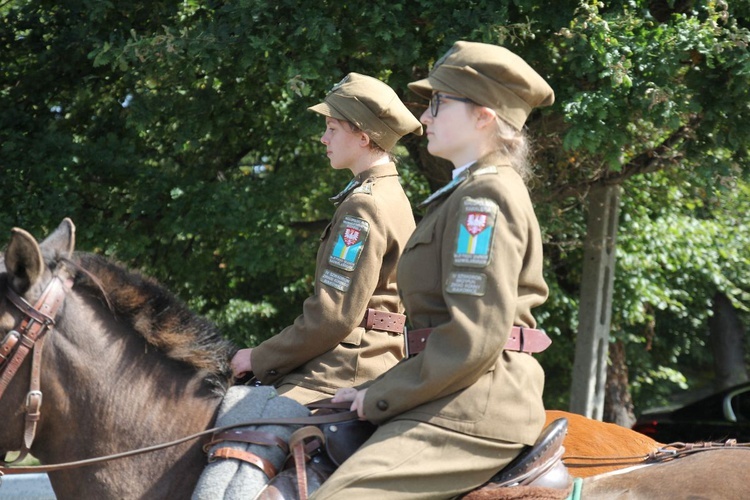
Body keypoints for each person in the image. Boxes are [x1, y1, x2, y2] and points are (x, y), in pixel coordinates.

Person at [310, 41, 555, 499]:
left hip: (476, 404)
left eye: (439, 103)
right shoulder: (466, 192)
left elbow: (472, 336)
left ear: (483, 115)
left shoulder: (484, 199)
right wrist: (382, 385)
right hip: (454, 389)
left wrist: (383, 397)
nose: (425, 117)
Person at [231, 73, 423, 405]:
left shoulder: (364, 205)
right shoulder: (391, 194)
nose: (323, 138)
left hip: (345, 368)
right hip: (369, 359)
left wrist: (258, 358)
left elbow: (333, 316)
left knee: (242, 425)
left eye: (332, 129)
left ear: (363, 137)